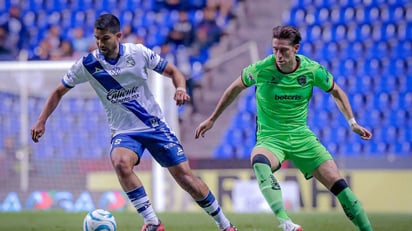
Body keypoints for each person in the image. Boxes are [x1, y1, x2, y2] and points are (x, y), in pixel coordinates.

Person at [30, 13, 237, 231]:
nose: (100, 44)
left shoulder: (138, 53)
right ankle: (153, 223)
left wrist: (180, 88)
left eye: (105, 38)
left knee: (185, 178)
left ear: (118, 36)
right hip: (124, 131)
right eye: (97, 38)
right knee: (120, 162)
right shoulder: (88, 64)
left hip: (154, 126)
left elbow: (173, 71)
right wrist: (41, 121)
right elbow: (58, 91)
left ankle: (224, 225)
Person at [195, 25, 373, 231]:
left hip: (302, 137)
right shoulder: (262, 69)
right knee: (259, 161)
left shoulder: (312, 70)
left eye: (283, 50)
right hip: (271, 139)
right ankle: (286, 222)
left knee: (340, 186)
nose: (278, 55)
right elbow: (234, 88)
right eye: (275, 49)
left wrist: (352, 123)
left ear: (296, 48)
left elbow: (336, 91)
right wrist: (212, 119)